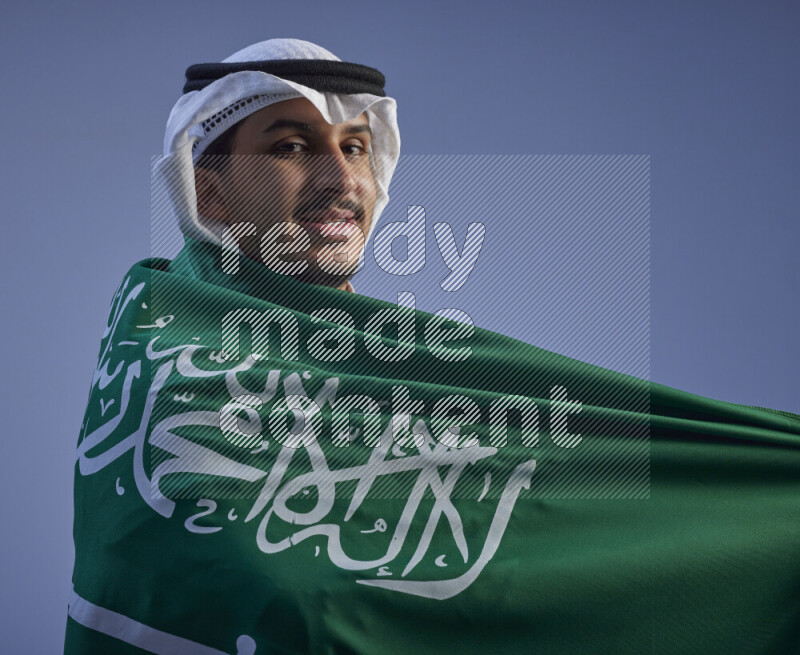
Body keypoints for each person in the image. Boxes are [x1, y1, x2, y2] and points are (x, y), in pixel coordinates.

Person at [66, 38, 800, 655]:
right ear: (212, 193)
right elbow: (241, 586)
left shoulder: (440, 384)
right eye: (291, 147)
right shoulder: (171, 359)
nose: (341, 178)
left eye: (355, 147)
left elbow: (574, 543)